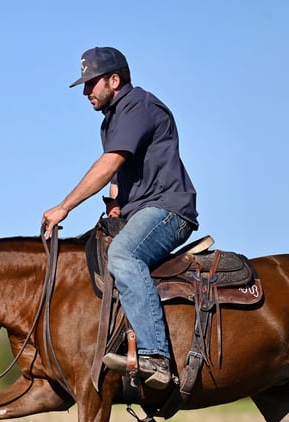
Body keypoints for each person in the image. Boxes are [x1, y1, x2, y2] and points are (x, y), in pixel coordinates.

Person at [42, 46, 198, 389]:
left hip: (167, 209)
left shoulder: (136, 106)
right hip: (142, 209)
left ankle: (156, 357)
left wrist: (64, 206)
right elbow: (119, 176)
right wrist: (115, 205)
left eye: (91, 83)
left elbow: (111, 163)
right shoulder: (114, 117)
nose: (86, 92)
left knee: (123, 255)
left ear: (114, 80)